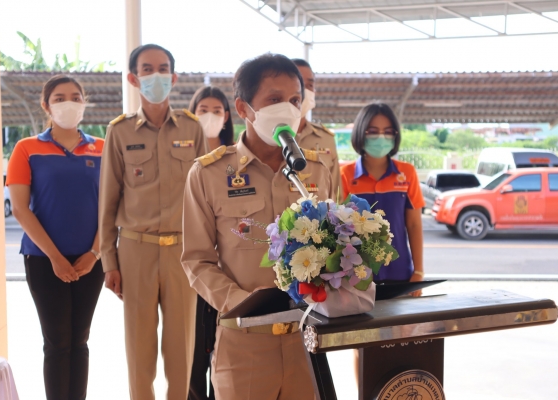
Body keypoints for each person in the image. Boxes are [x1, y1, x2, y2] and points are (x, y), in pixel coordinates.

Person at [181, 53, 332, 400]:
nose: (288, 109)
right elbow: (196, 261)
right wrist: (242, 303)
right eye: (275, 99)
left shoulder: (316, 171)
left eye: (294, 100)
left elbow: (331, 244)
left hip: (306, 340)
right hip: (243, 341)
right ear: (243, 108)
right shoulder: (208, 174)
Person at [99, 44, 206, 400]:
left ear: (173, 78)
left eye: (162, 69)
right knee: (139, 351)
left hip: (183, 252)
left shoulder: (192, 129)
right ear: (133, 78)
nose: (155, 75)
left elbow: (206, 196)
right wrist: (109, 261)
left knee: (181, 349)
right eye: (147, 69)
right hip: (135, 250)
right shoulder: (119, 131)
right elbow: (108, 201)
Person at [7, 75, 104, 400]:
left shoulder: (103, 148)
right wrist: (55, 257)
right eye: (59, 98)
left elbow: (113, 207)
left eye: (75, 97)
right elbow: (20, 209)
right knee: (57, 342)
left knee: (80, 340)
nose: (69, 103)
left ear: (84, 103)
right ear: (46, 105)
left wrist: (95, 253)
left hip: (91, 261)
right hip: (43, 259)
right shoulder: (26, 148)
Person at [340, 103, 424, 292]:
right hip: (357, 275)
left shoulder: (407, 173)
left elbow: (414, 225)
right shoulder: (344, 175)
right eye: (373, 131)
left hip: (400, 272)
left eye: (387, 132)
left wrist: (418, 271)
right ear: (361, 133)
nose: (381, 137)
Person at [187, 85, 235, 400]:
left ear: (227, 116)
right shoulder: (183, 157)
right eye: (202, 110)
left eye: (216, 110)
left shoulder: (237, 159)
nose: (210, 116)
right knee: (192, 354)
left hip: (229, 272)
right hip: (192, 269)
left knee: (223, 351)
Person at [292, 58, 341, 197]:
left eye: (310, 85)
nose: (305, 91)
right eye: (299, 83)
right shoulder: (267, 138)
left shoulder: (326, 138)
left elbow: (336, 195)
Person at [189, 85, 235, 152]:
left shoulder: (235, 152)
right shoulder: (182, 150)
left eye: (217, 111)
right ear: (192, 114)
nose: (210, 117)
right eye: (203, 110)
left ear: (226, 117)